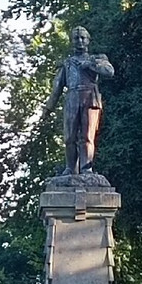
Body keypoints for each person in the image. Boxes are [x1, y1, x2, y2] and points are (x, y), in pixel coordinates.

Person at [43, 26, 114, 176]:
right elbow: (57, 88)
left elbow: (109, 72)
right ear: (71, 41)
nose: (80, 41)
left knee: (88, 136)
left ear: (88, 40)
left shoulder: (97, 58)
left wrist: (91, 65)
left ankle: (86, 168)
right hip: (72, 98)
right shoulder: (67, 64)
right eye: (76, 38)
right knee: (70, 137)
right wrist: (48, 109)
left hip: (90, 98)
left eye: (83, 38)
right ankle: (70, 168)